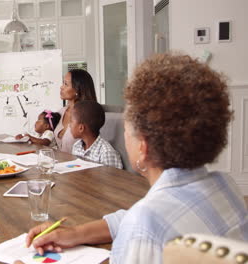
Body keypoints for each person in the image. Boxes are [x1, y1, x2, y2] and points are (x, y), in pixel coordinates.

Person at [23, 54, 247, 263]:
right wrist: (74, 233)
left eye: (127, 130)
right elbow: (133, 216)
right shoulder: (226, 187)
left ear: (143, 146)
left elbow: (142, 223)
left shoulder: (143, 228)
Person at [54, 69, 97, 153]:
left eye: (66, 84)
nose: (61, 87)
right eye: (63, 83)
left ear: (78, 89)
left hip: (78, 164)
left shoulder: (88, 116)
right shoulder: (61, 112)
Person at [70, 101, 122, 169]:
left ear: (81, 128)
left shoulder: (106, 153)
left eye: (71, 121)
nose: (69, 125)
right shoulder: (76, 147)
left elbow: (115, 178)